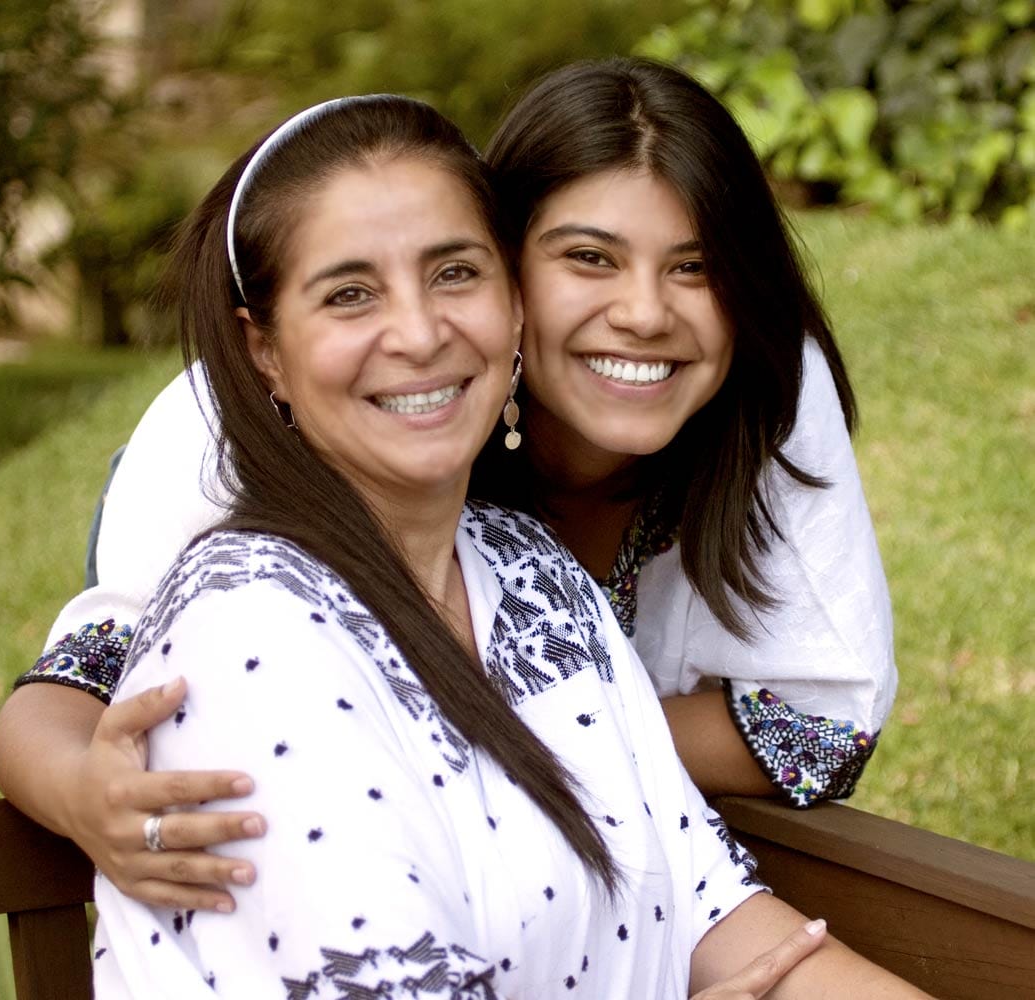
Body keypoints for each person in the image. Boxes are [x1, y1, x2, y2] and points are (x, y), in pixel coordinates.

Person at [72, 92, 929, 999]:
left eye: (453, 274)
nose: (418, 332)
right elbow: (77, 685)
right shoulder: (250, 625)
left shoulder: (532, 576)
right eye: (350, 294)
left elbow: (728, 916)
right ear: (263, 353)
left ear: (507, 301)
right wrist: (79, 790)